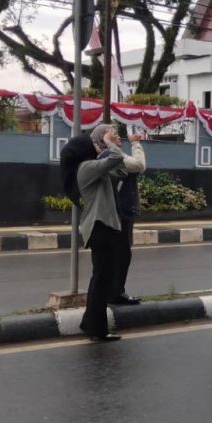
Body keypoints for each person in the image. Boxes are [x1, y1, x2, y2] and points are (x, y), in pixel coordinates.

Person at [59, 129, 128, 342]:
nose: (98, 147)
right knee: (101, 280)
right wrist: (110, 145)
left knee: (102, 278)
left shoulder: (96, 168)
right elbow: (115, 158)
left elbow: (122, 171)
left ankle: (90, 321)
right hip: (100, 227)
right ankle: (97, 329)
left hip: (105, 226)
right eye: (98, 144)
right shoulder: (86, 168)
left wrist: (113, 147)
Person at [91, 125, 147, 305]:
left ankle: (115, 291)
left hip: (121, 211)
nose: (118, 135)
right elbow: (139, 165)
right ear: (104, 138)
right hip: (118, 212)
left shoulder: (111, 156)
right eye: (112, 133)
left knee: (121, 254)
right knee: (120, 254)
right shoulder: (110, 156)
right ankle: (114, 293)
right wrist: (136, 143)